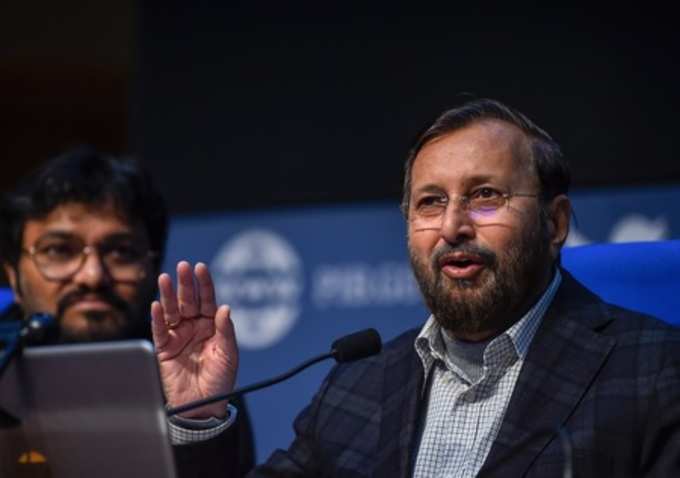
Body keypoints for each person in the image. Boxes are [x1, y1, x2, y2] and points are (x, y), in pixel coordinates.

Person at [153, 98, 680, 476]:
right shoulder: (356, 387)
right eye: (430, 202)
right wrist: (202, 417)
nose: (452, 227)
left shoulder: (654, 370)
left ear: (555, 223)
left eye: (485, 196)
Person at [0, 148, 255, 477]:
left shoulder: (194, 371)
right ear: (13, 276)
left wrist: (197, 422)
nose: (92, 276)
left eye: (121, 252)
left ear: (152, 267)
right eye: (59, 250)